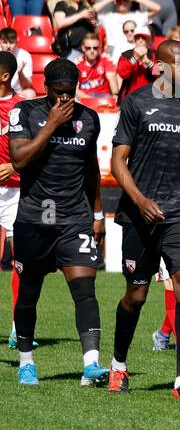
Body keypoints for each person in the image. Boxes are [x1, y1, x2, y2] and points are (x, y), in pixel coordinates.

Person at [105, 39, 180, 399]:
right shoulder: (137, 103)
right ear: (161, 67)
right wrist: (140, 199)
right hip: (139, 215)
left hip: (179, 213)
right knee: (136, 295)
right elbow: (118, 161)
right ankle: (118, 366)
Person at [6, 58, 108, 388]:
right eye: (59, 93)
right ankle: (26, 362)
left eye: (70, 93)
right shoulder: (25, 113)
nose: (65, 100)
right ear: (46, 88)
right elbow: (19, 160)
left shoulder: (89, 119)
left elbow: (91, 170)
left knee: (85, 289)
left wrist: (97, 214)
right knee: (29, 294)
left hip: (73, 218)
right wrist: (50, 125)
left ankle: (91, 364)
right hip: (35, 218)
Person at [0, 51, 22, 347]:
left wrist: (15, 166)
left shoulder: (22, 108)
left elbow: (38, 149)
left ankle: (19, 327)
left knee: (21, 261)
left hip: (16, 190)